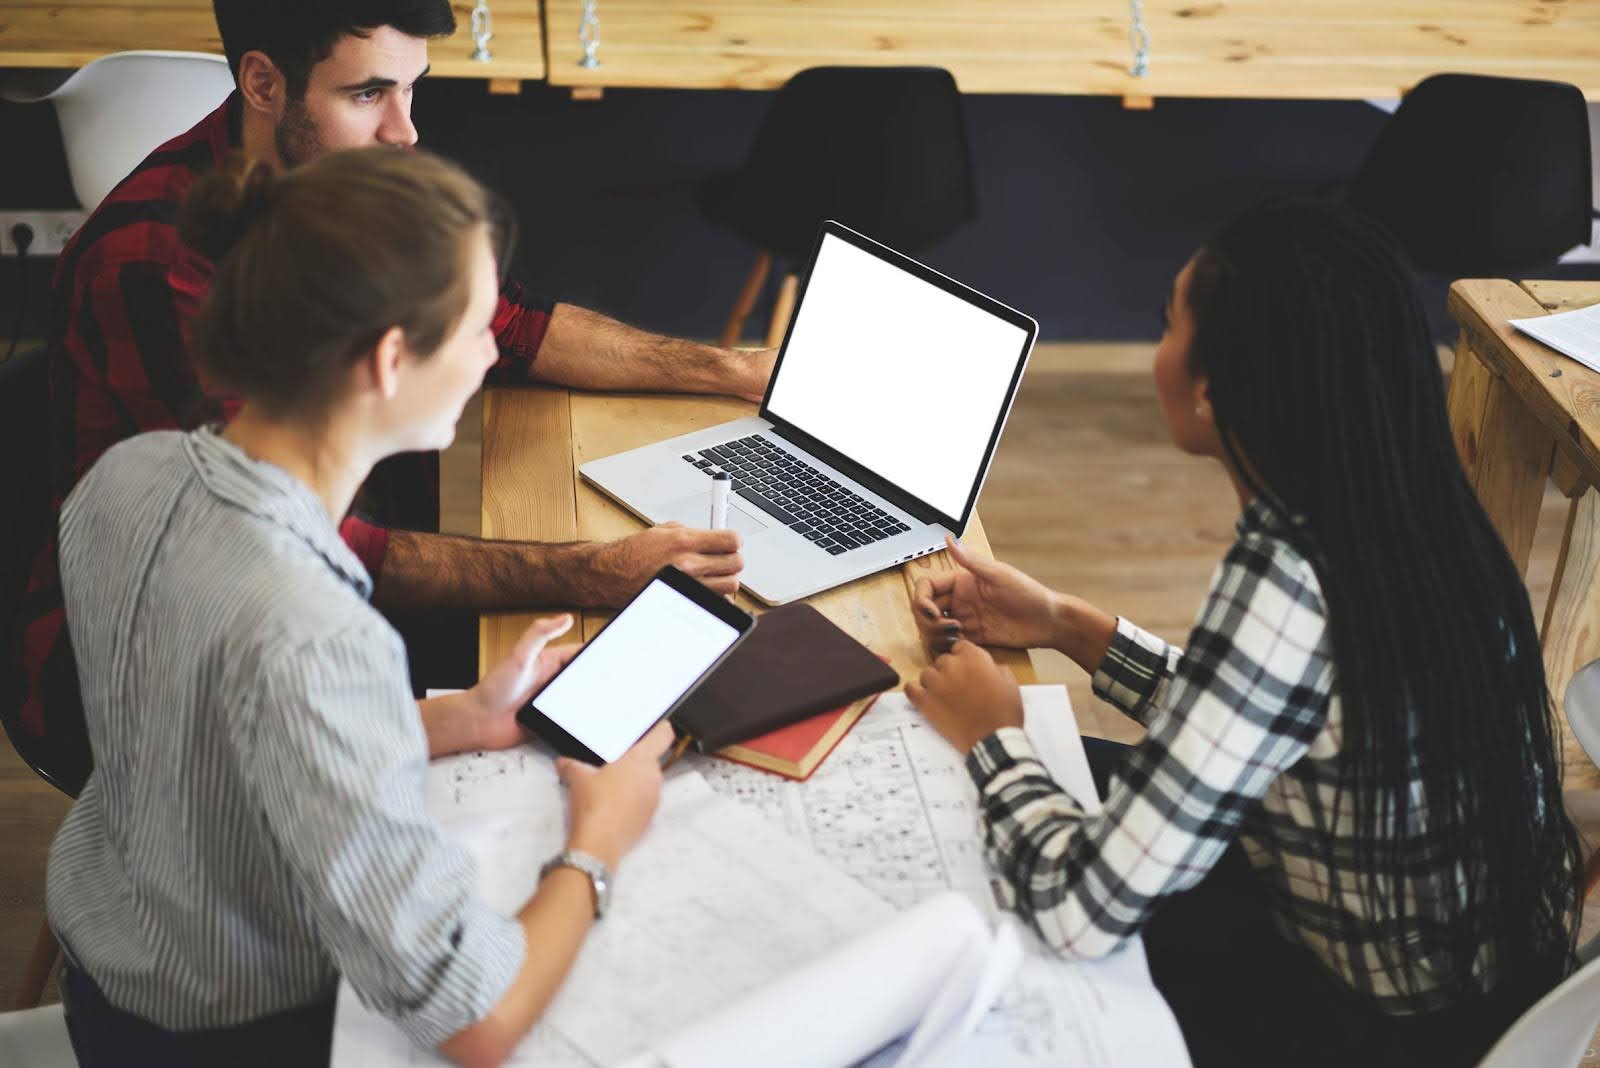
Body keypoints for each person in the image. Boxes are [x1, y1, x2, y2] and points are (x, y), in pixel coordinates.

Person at [16, 0, 767, 793]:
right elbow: (302, 538)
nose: (405, 132)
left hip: (324, 613)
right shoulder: (148, 262)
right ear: (263, 81)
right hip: (164, 683)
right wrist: (590, 572)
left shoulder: (332, 174)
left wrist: (732, 371)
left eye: (414, 89)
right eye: (369, 94)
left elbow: (508, 323)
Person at [904, 201, 1582, 1067]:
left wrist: (992, 738)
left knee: (994, 854)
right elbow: (1271, 716)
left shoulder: (1287, 570)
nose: (1158, 348)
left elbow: (1080, 909)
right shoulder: (1414, 507)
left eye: (1166, 324)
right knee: (1060, 772)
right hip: (1482, 986)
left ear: (1212, 385)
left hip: (1364, 1031)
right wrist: (1066, 625)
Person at [49, 146, 672, 1067]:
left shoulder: (122, 481)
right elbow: (473, 1020)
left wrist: (459, 716)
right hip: (242, 1036)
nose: (493, 350)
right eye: (473, 329)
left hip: (111, 977)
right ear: (388, 361)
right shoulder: (316, 634)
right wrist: (602, 835)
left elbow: (228, 734)